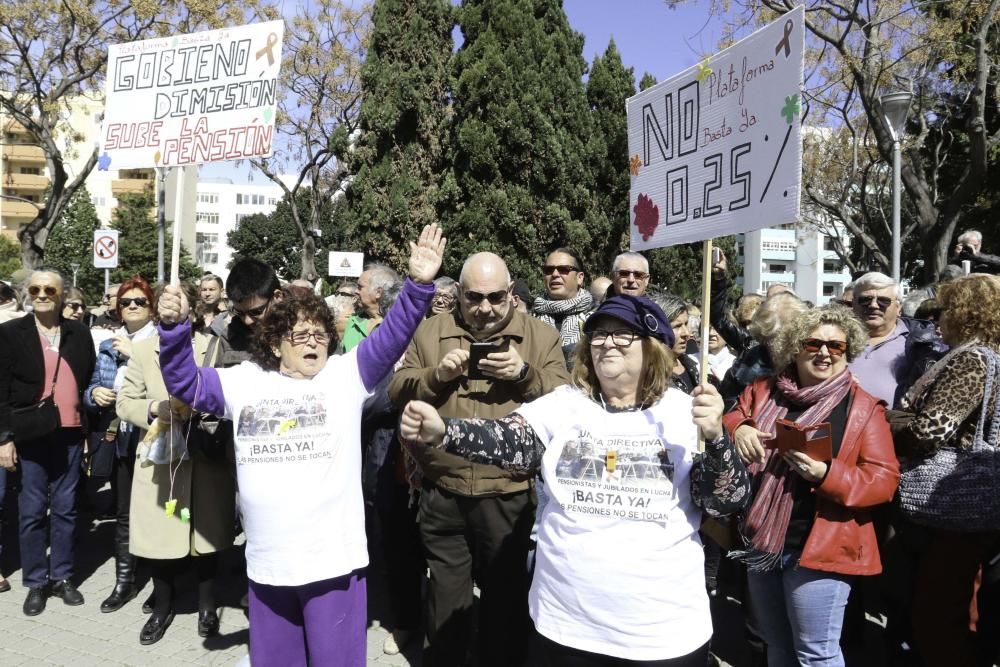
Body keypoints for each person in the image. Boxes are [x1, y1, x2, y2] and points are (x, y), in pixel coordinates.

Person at [400, 294, 751, 666]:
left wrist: (715, 439)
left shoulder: (687, 412)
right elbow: (506, 439)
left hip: (660, 631)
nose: (607, 344)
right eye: (598, 336)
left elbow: (726, 501)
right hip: (565, 624)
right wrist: (445, 430)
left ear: (653, 348)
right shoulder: (565, 404)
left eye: (623, 335)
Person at [156, 224, 445, 666]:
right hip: (269, 565)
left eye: (321, 334)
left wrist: (420, 284)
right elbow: (183, 383)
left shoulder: (345, 376)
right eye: (300, 334)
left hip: (333, 566)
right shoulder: (244, 381)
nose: (314, 342)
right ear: (274, 342)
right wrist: (173, 329)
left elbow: (392, 339)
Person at [388, 251, 570, 667]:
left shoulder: (541, 336)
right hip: (443, 492)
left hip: (507, 493)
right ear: (457, 296)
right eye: (473, 297)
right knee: (446, 601)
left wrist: (523, 374)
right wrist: (438, 376)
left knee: (504, 605)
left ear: (510, 293)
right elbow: (396, 390)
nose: (484, 308)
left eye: (494, 297)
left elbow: (567, 403)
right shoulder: (432, 331)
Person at [724, 305, 899, 666]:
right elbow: (734, 413)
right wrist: (739, 428)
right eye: (814, 343)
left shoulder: (863, 408)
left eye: (836, 347)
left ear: (847, 352)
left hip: (821, 546)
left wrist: (826, 475)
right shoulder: (765, 390)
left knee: (816, 653)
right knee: (777, 645)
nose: (824, 352)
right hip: (762, 540)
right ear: (795, 347)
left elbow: (883, 480)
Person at [115, 281, 236, 644]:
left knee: (206, 536)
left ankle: (207, 606)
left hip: (204, 456)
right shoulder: (142, 349)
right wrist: (155, 408)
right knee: (160, 539)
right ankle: (162, 607)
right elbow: (125, 403)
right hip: (160, 461)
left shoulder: (211, 348)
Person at [891, 274, 1000, 666]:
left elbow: (931, 430)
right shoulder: (984, 354)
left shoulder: (972, 358)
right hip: (966, 508)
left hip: (955, 506)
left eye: (946, 310)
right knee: (954, 611)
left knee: (938, 617)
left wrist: (889, 420)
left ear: (967, 314)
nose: (937, 319)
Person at [0, 269, 96, 616]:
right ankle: (36, 582)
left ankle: (63, 577)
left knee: (68, 509)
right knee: (31, 512)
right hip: (29, 434)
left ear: (60, 294)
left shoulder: (79, 333)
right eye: (35, 289)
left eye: (49, 289)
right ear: (27, 293)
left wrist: (85, 428)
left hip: (70, 433)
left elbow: (86, 378)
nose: (42, 294)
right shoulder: (10, 334)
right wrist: (4, 439)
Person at [83, 275, 158, 614]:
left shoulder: (161, 342)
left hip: (154, 438)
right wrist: (93, 394)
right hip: (118, 436)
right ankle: (124, 582)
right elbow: (91, 388)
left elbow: (169, 390)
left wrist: (138, 355)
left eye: (139, 301)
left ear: (151, 306)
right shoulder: (107, 345)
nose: (131, 307)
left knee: (157, 512)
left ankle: (161, 585)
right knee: (124, 513)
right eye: (125, 302)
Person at [849, 272, 943, 408]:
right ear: (853, 304)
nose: (874, 305)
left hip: (895, 426)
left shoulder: (922, 344)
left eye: (883, 301)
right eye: (865, 300)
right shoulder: (835, 339)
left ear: (898, 307)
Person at [533, 247, 595, 353]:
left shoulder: (595, 318)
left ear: (579, 278)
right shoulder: (530, 319)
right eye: (548, 270)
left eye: (563, 269)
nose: (555, 274)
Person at [343, 263, 401, 352]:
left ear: (378, 292)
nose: (355, 291)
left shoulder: (397, 326)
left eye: (360, 287)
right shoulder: (352, 322)